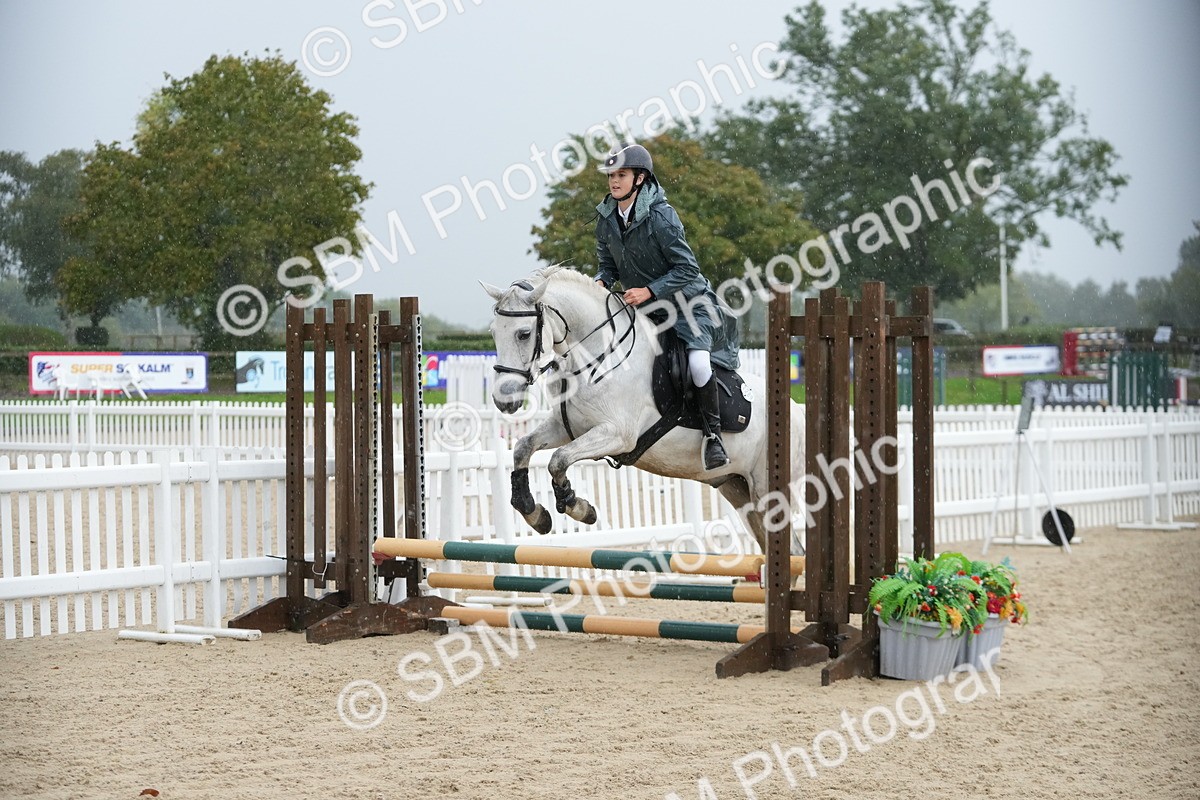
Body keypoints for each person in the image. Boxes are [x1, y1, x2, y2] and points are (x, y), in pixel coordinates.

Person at [593, 142, 740, 471]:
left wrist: (649, 290)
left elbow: (688, 270)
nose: (614, 181)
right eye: (611, 176)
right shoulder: (606, 219)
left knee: (699, 364)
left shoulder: (662, 217)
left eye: (621, 175)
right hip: (649, 311)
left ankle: (713, 437)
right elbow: (608, 266)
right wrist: (600, 281)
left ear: (640, 178)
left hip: (690, 307)